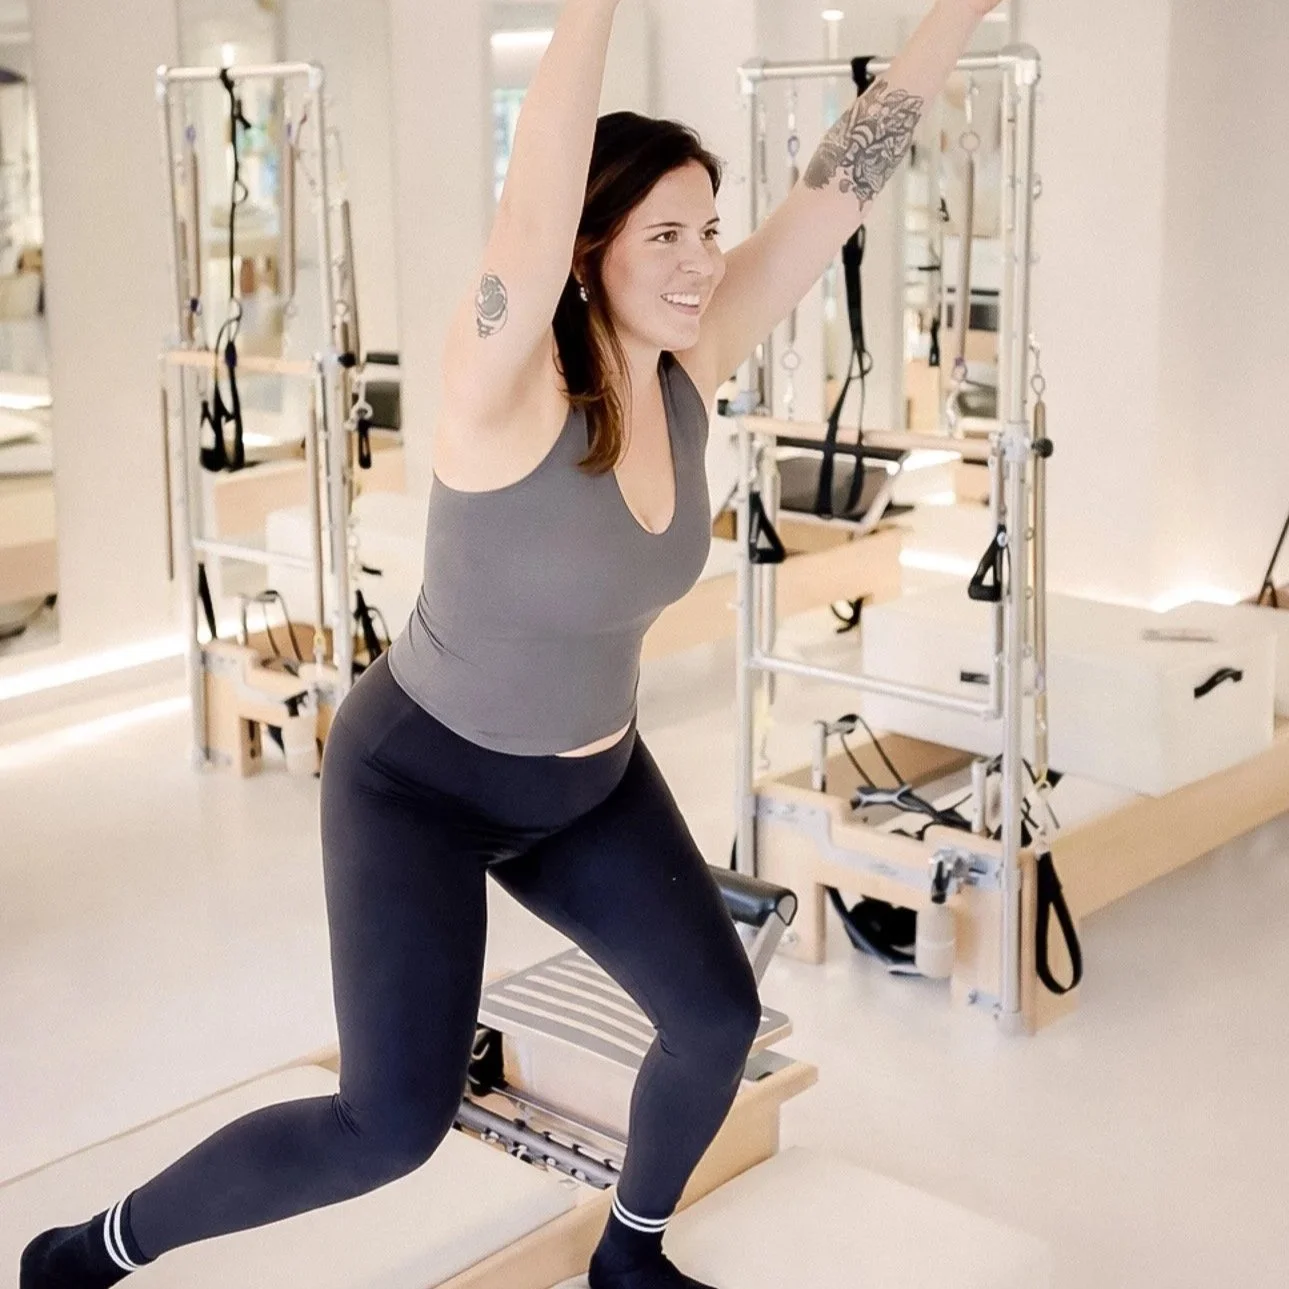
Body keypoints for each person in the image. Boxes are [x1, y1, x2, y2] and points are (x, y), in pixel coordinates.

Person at [20, 1, 1003, 1286]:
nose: (702, 258)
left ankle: (627, 1258)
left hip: (588, 785)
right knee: (388, 1124)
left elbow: (840, 184)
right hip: (418, 781)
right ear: (590, 251)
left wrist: (959, 12)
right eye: (663, 233)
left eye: (707, 229)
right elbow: (531, 202)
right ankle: (88, 1248)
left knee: (712, 1019)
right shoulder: (503, 385)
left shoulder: (688, 365)